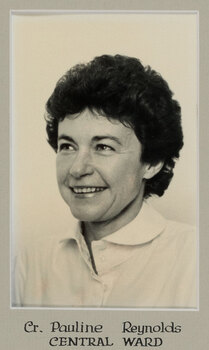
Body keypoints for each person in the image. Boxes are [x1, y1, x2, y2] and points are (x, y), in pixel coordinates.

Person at [13, 54, 196, 308]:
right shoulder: (30, 263)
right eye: (67, 146)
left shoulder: (195, 261)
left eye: (104, 147)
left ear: (152, 163)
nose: (77, 168)